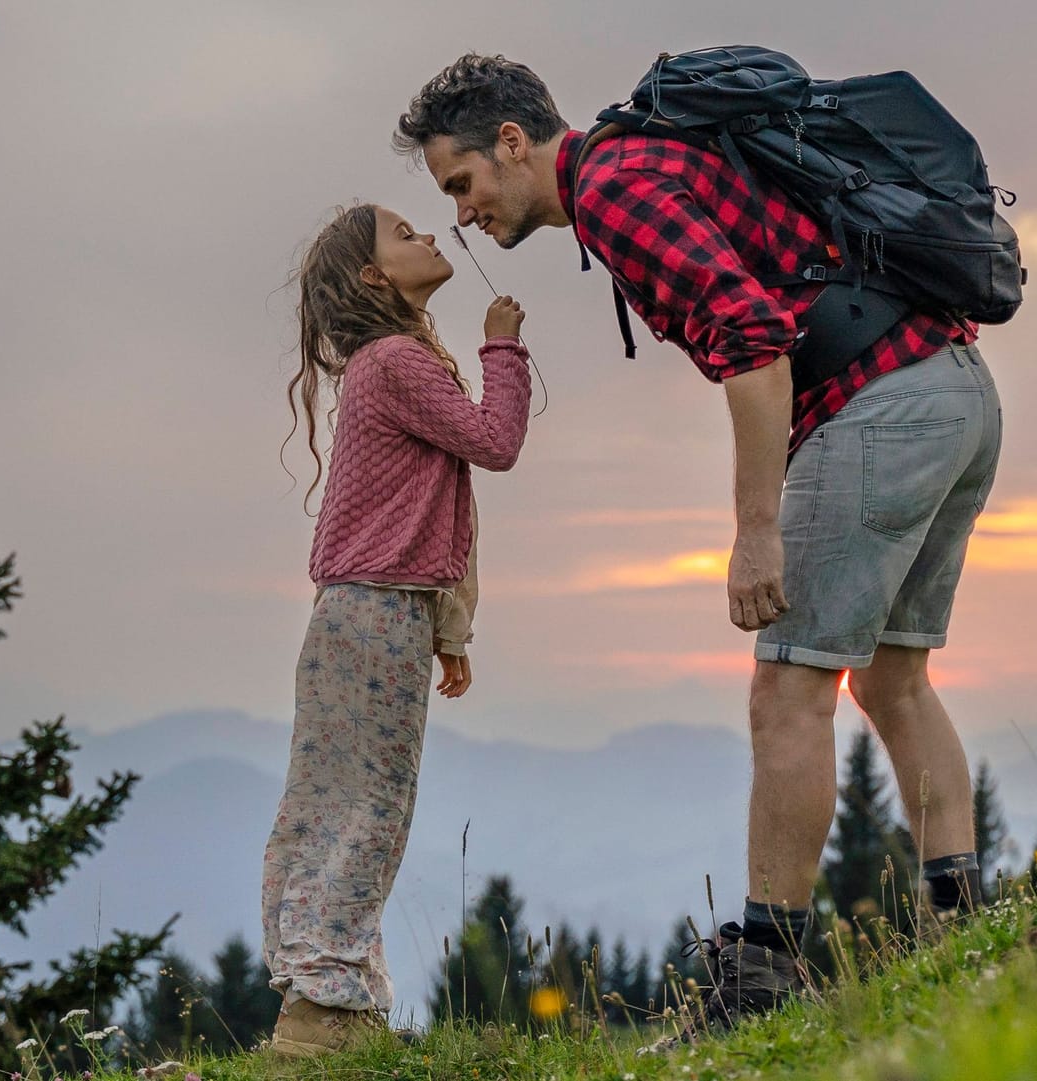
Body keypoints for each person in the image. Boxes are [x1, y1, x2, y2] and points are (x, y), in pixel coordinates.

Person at [395, 54, 1002, 1038]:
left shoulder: (617, 187)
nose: (464, 213)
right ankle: (964, 925)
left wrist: (757, 531)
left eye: (461, 183)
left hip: (883, 407)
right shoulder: (650, 157)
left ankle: (761, 975)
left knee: (789, 691)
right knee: (894, 680)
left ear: (513, 143)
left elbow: (754, 345)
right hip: (956, 388)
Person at [262, 201, 532, 1054]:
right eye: (404, 234)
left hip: (369, 608)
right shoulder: (395, 361)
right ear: (376, 277)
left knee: (336, 801)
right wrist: (503, 346)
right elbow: (495, 443)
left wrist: (449, 626)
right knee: (368, 805)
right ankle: (322, 1009)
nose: (426, 236)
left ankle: (333, 1006)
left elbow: (435, 500)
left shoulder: (389, 363)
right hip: (376, 609)